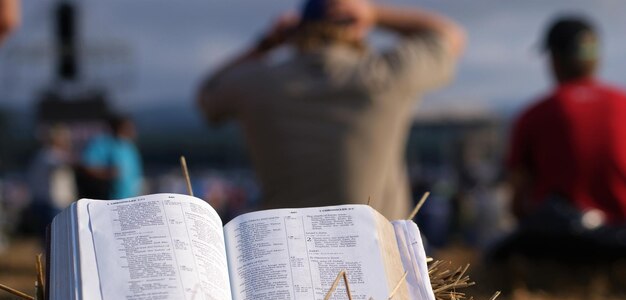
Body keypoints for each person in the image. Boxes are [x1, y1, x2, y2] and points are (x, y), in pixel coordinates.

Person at [197, 0, 465, 220]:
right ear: (357, 28)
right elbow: (450, 37)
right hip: (380, 258)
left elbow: (207, 93)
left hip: (289, 253)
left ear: (297, 32)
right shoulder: (385, 75)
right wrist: (375, 13)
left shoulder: (259, 83)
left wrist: (266, 44)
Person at [507, 15, 626, 226]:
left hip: (561, 241)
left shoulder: (534, 115)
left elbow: (518, 203)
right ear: (596, 57)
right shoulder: (622, 103)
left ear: (554, 59)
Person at [26, 124, 77, 239]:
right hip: (53, 204)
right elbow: (63, 163)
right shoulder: (49, 155)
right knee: (54, 238)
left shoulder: (44, 155)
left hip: (54, 203)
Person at [79, 113, 143, 200]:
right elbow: (87, 165)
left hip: (131, 196)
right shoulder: (102, 143)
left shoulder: (129, 146)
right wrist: (106, 173)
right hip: (110, 198)